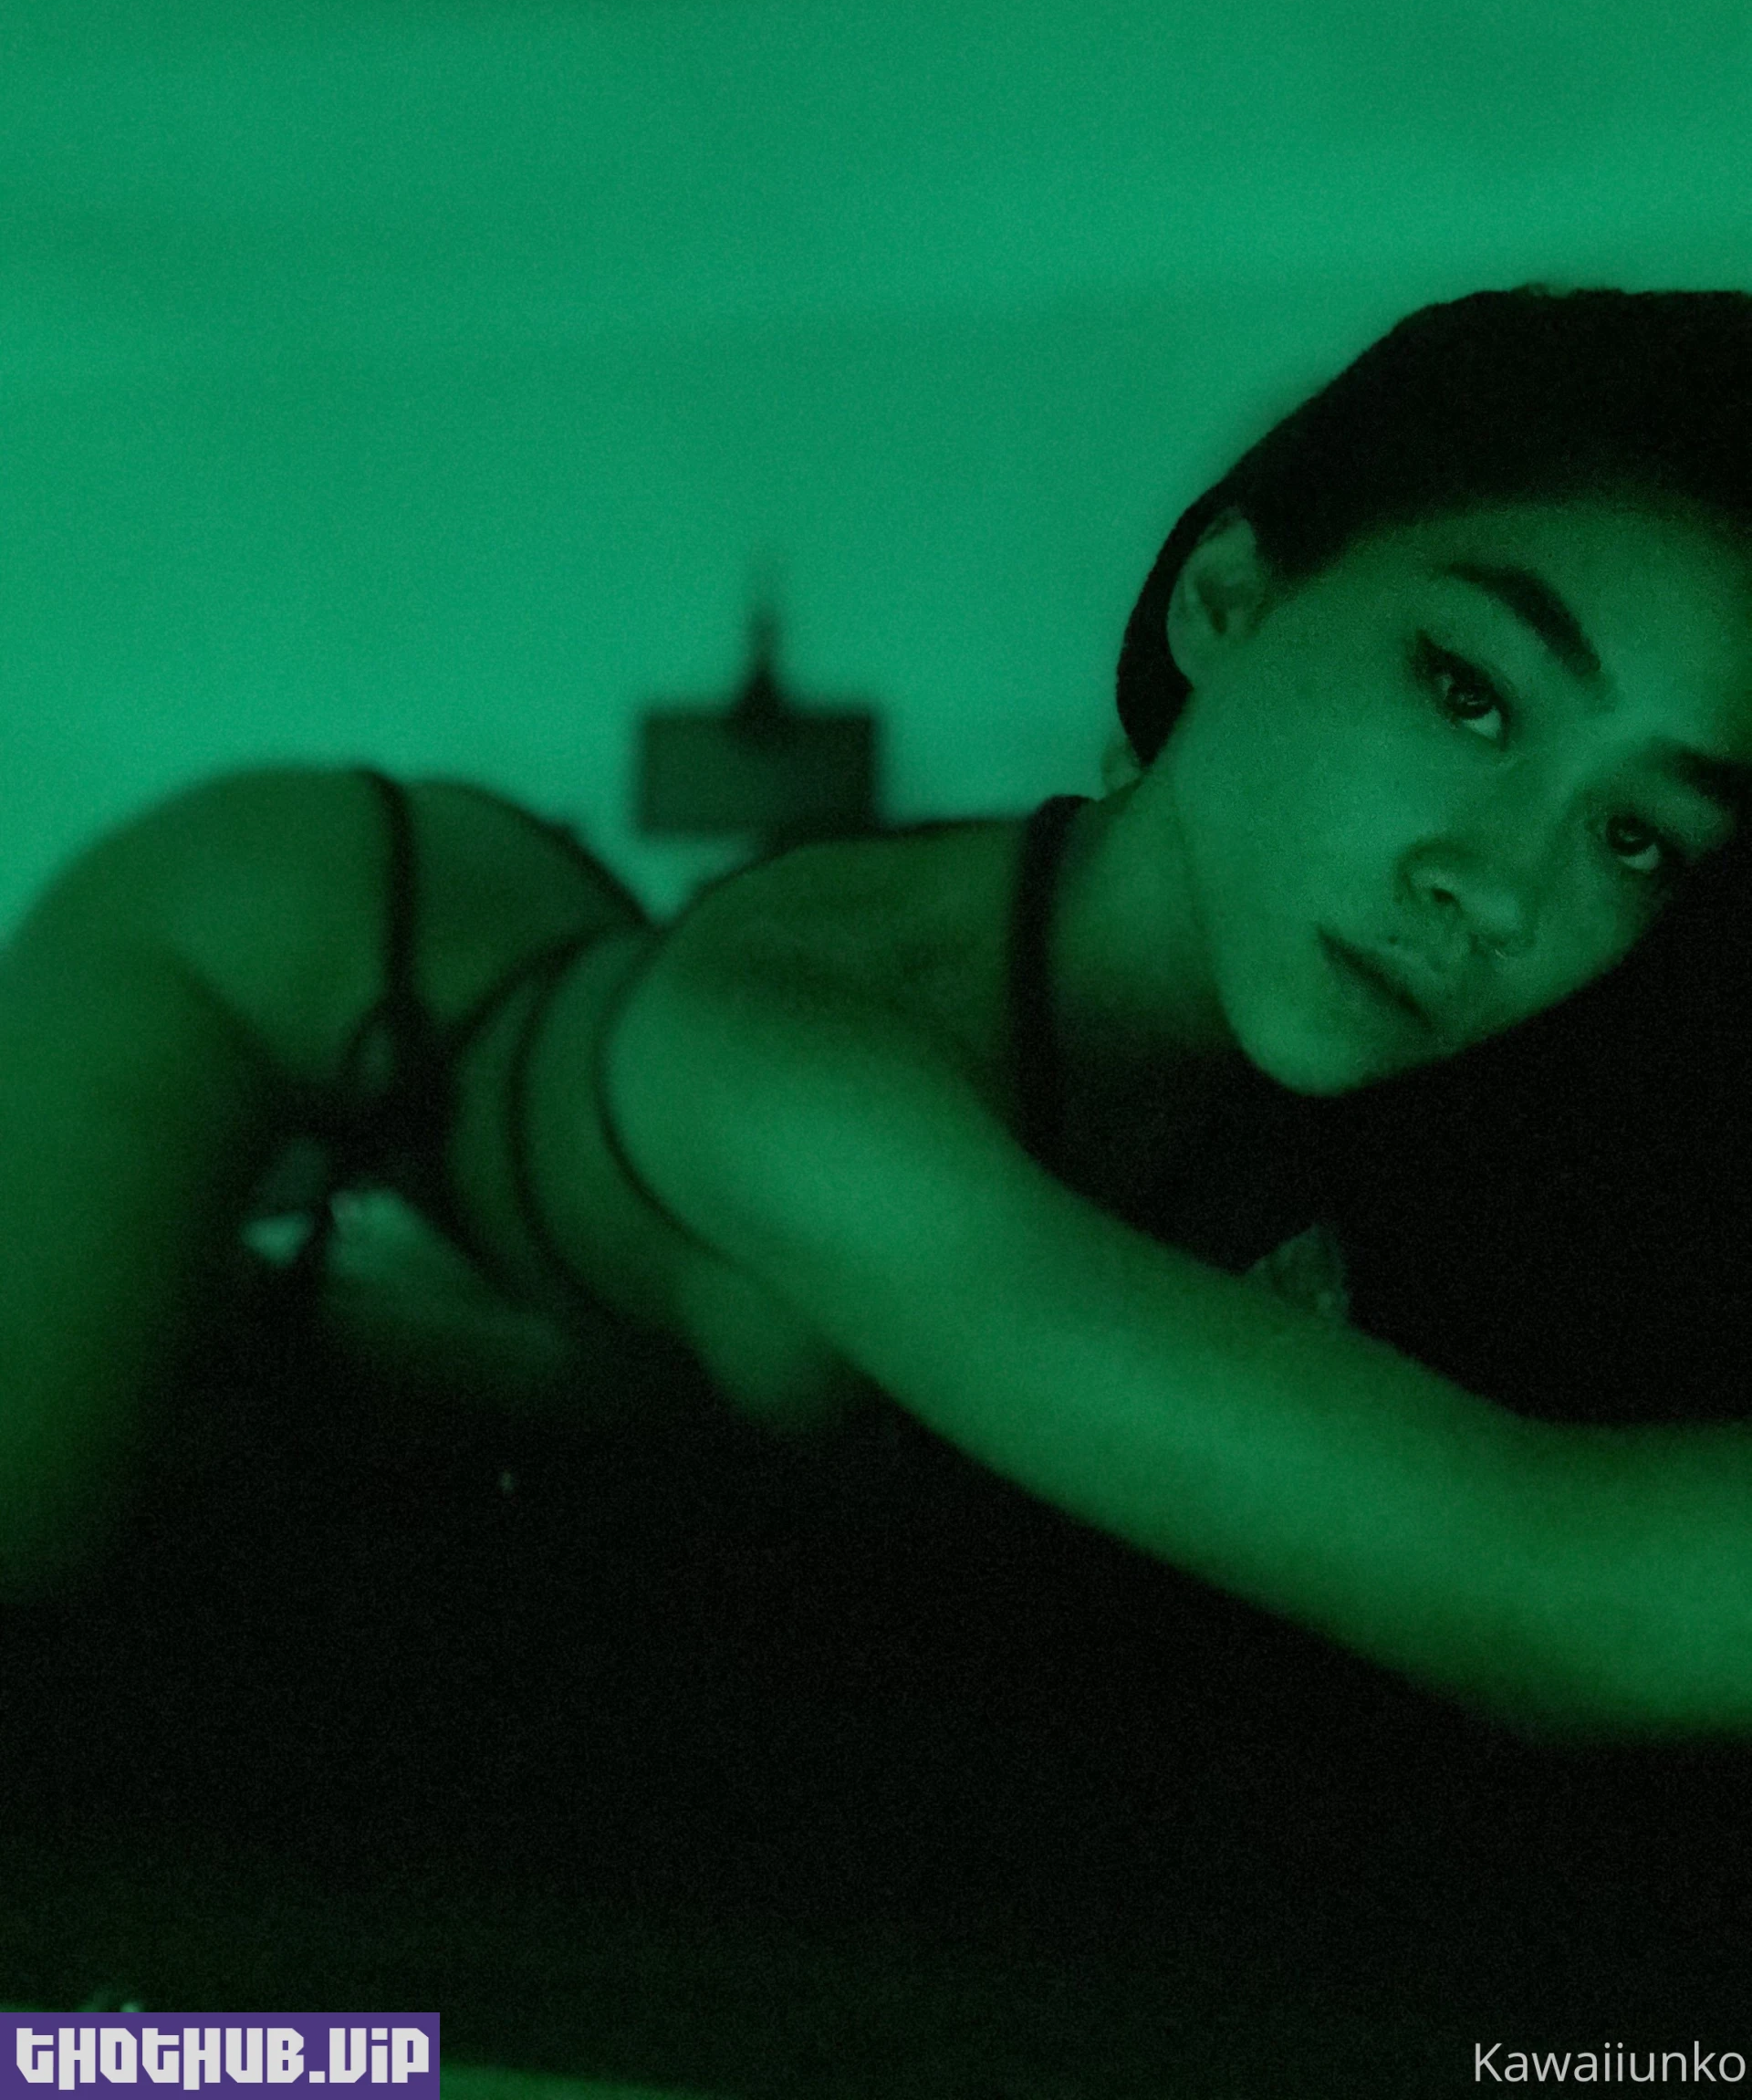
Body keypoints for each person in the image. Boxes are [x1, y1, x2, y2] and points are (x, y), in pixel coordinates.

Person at [5, 282, 1752, 1741]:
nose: (1500, 888)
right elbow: (1544, 1586)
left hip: (623, 1101)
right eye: (1466, 691)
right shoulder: (806, 1057)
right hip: (280, 942)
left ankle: (358, 1313)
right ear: (1228, 601)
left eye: (1640, 837)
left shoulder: (1446, 1064)